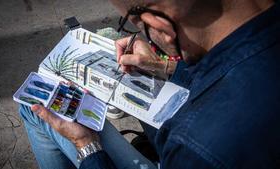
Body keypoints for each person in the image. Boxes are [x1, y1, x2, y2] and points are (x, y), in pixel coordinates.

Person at [19, 0, 280, 168]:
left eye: (135, 25)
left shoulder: (192, 146)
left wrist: (87, 146)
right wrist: (163, 66)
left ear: (161, 27)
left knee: (36, 113)